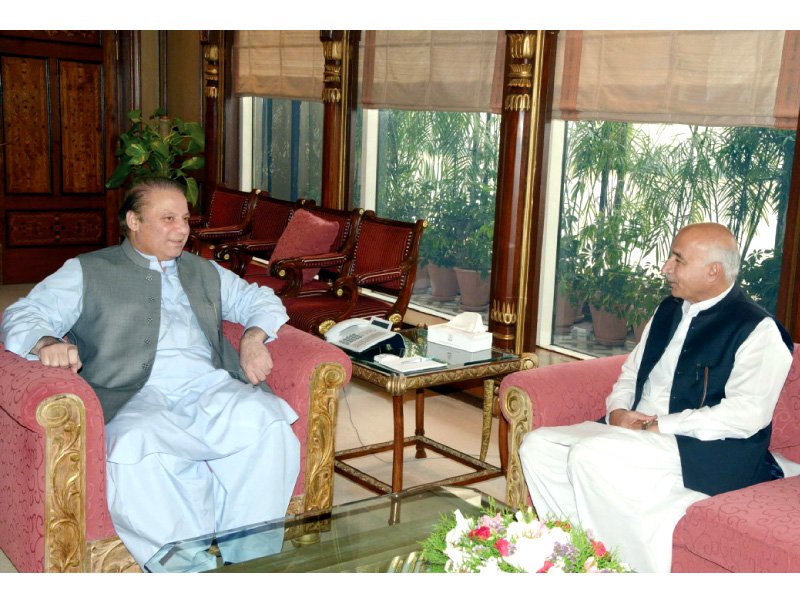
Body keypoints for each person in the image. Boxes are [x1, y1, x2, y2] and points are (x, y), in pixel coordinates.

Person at [1, 178, 300, 571]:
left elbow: (259, 299)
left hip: (209, 385)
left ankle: (248, 563)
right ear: (134, 222)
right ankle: (188, 570)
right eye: (168, 219)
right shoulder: (87, 270)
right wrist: (44, 344)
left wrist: (253, 339)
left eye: (185, 219)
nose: (182, 229)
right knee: (136, 447)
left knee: (269, 423)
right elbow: (23, 312)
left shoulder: (203, 271)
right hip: (133, 392)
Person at [519, 222, 796, 572]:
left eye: (678, 260)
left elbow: (746, 415)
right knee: (538, 445)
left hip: (700, 446)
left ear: (714, 271)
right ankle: (573, 553)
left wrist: (658, 425)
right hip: (637, 432)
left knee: (591, 455)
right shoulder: (668, 310)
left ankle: (614, 571)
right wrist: (618, 411)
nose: (666, 267)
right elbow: (631, 372)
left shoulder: (758, 330)